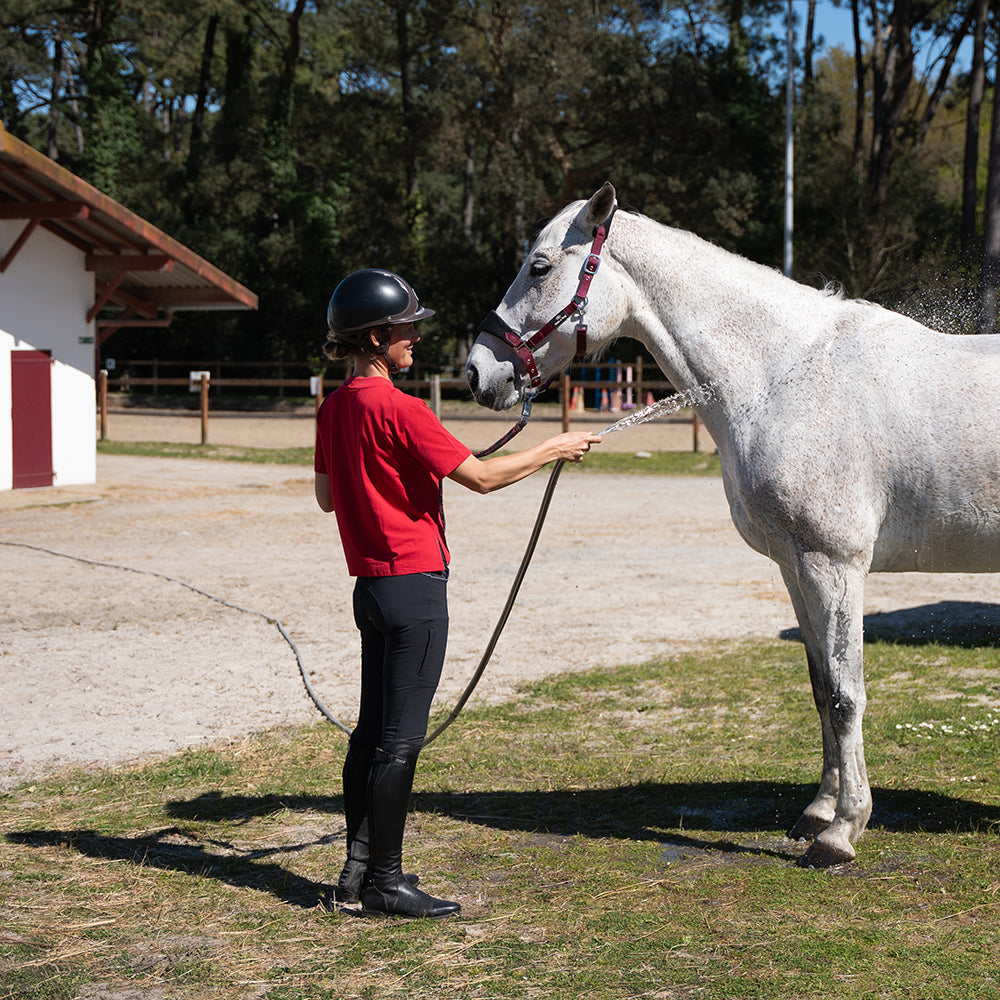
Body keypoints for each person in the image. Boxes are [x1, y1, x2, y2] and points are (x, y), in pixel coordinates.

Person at [314, 268, 601, 919]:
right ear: (377, 336)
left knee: (369, 735)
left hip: (371, 591)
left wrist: (385, 480)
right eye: (407, 329)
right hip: (414, 591)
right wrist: (554, 447)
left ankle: (358, 872)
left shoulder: (333, 408)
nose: (416, 338)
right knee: (399, 742)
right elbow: (484, 478)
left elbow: (328, 497)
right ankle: (385, 883)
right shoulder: (403, 409)